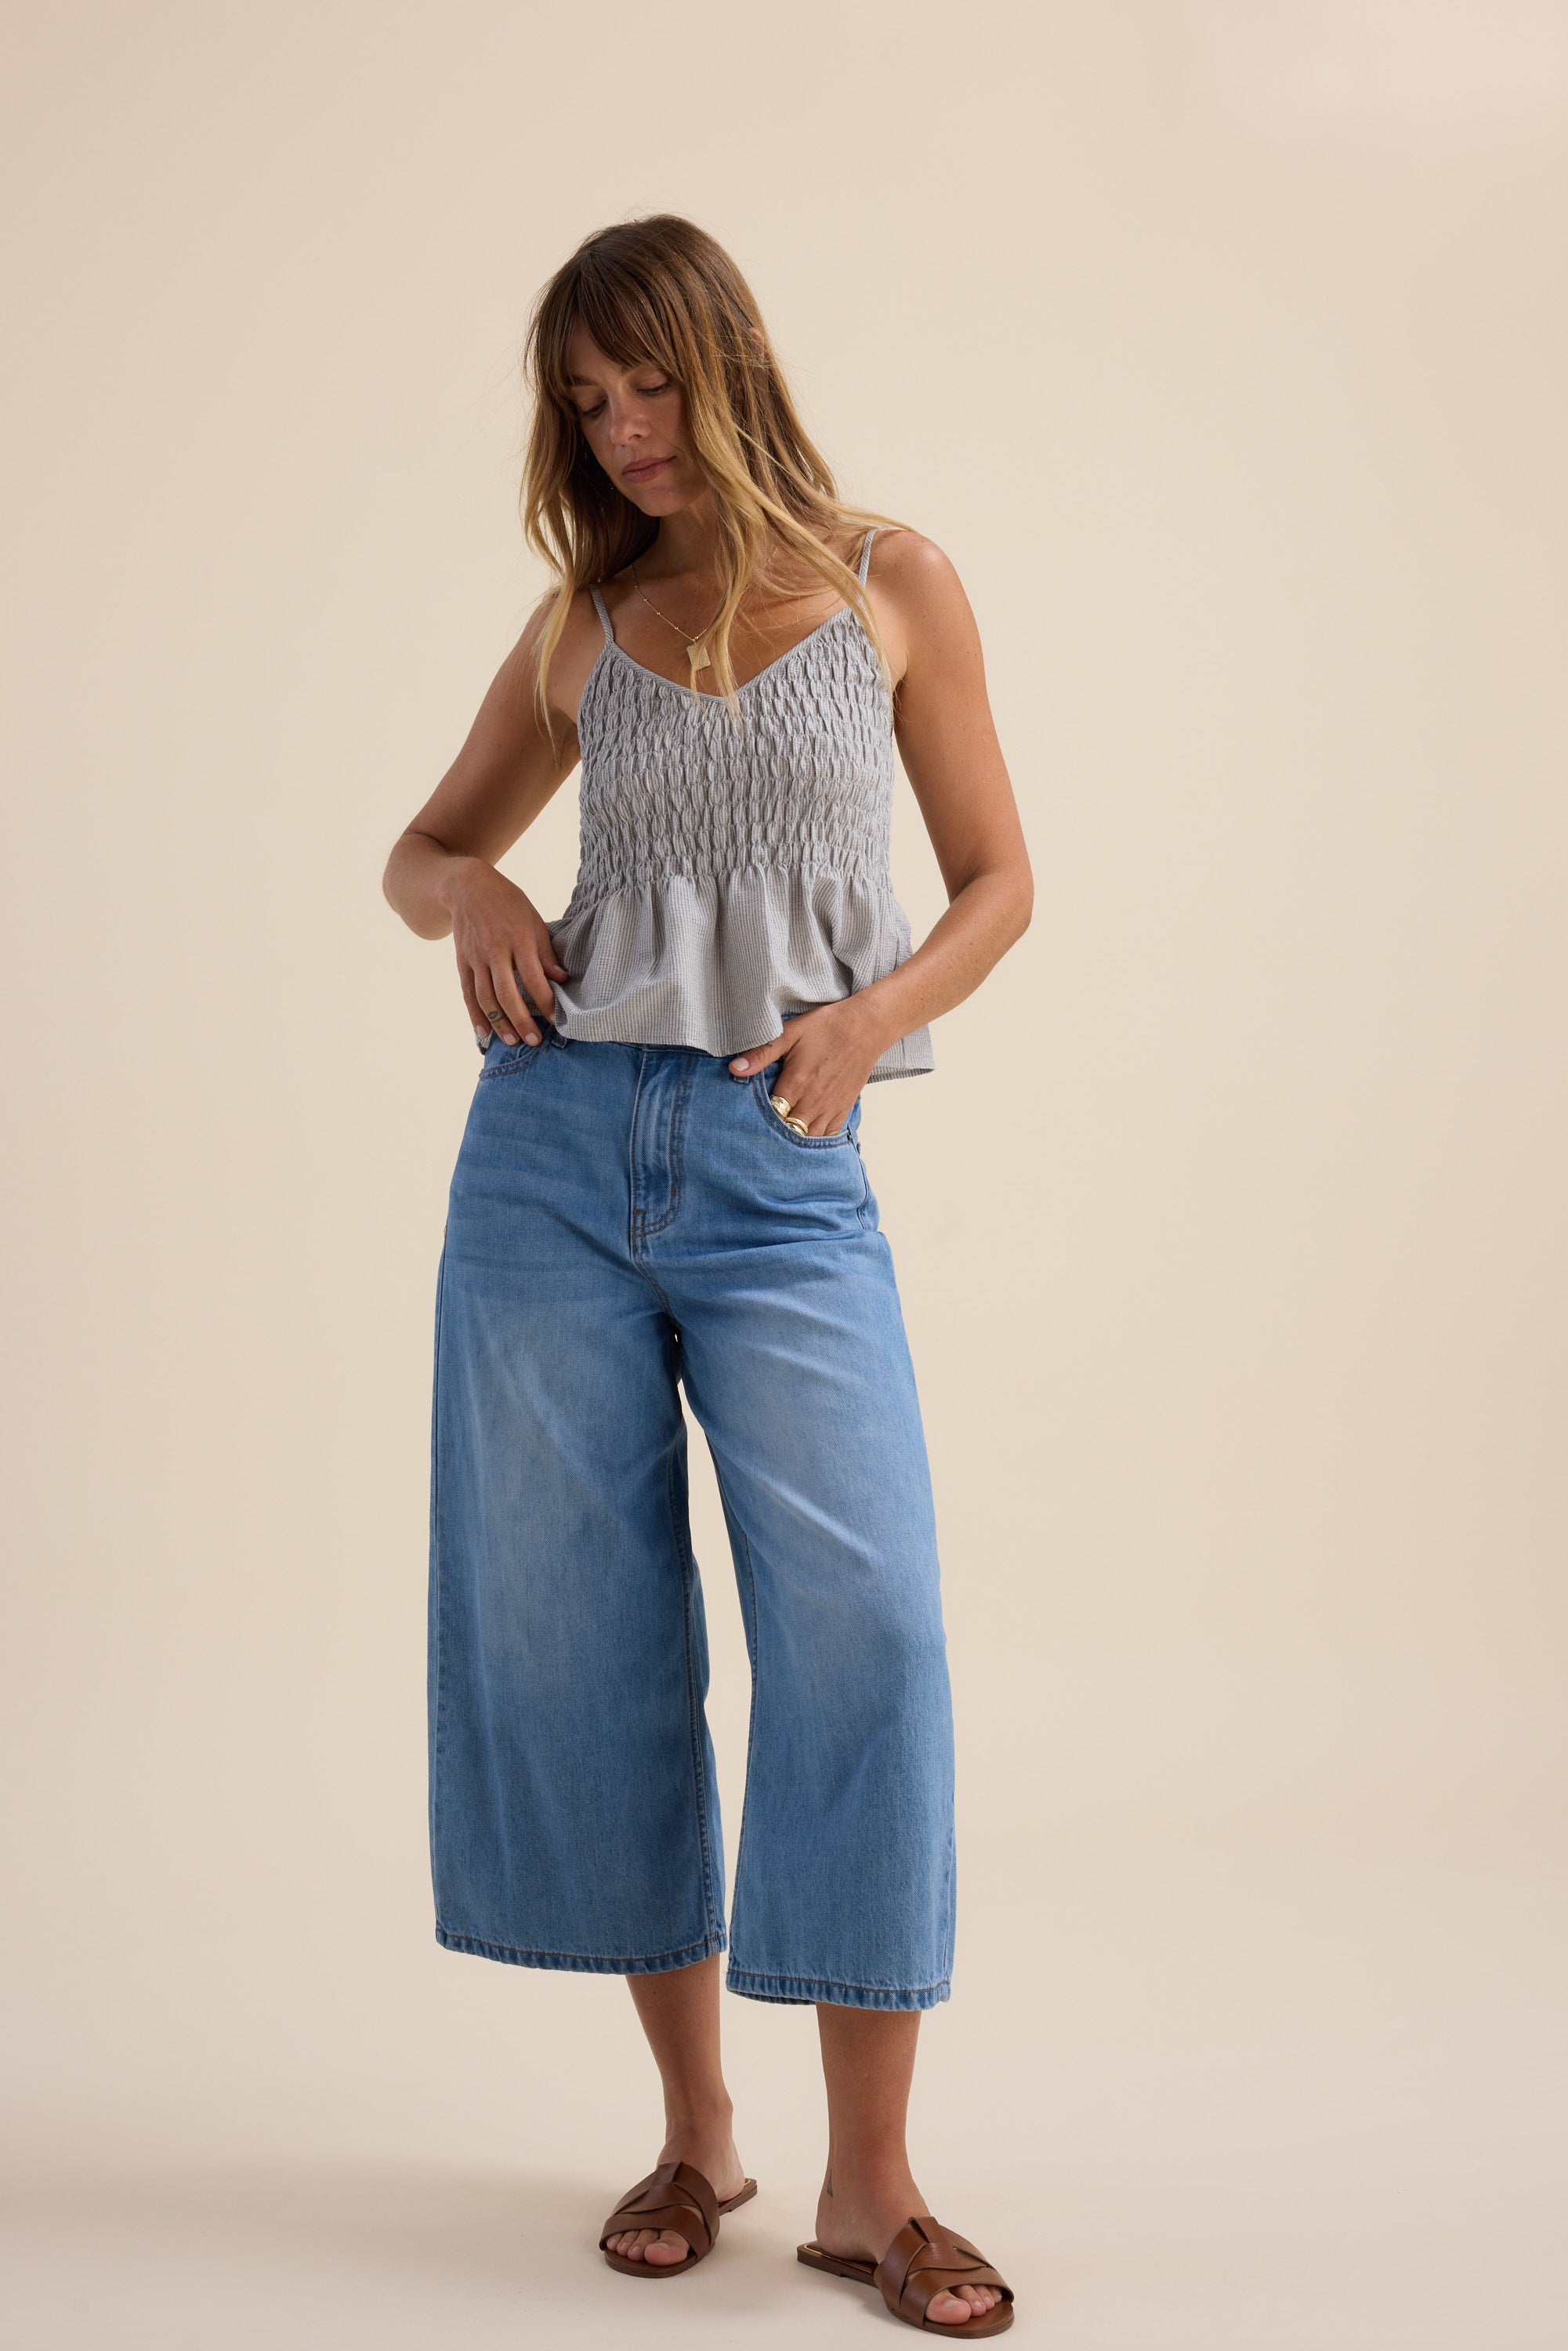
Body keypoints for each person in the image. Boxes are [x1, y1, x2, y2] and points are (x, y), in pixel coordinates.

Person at [382, 214, 1031, 2336]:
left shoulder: (885, 581)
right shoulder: (587, 619)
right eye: (585, 406)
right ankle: (695, 2131)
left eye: (643, 386)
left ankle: (871, 2183)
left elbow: (1003, 881)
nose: (623, 432)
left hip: (781, 1167)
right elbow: (418, 849)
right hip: (554, 1155)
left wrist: (865, 1022)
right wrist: (470, 876)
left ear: (721, 360)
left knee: (871, 1635)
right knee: (586, 1639)